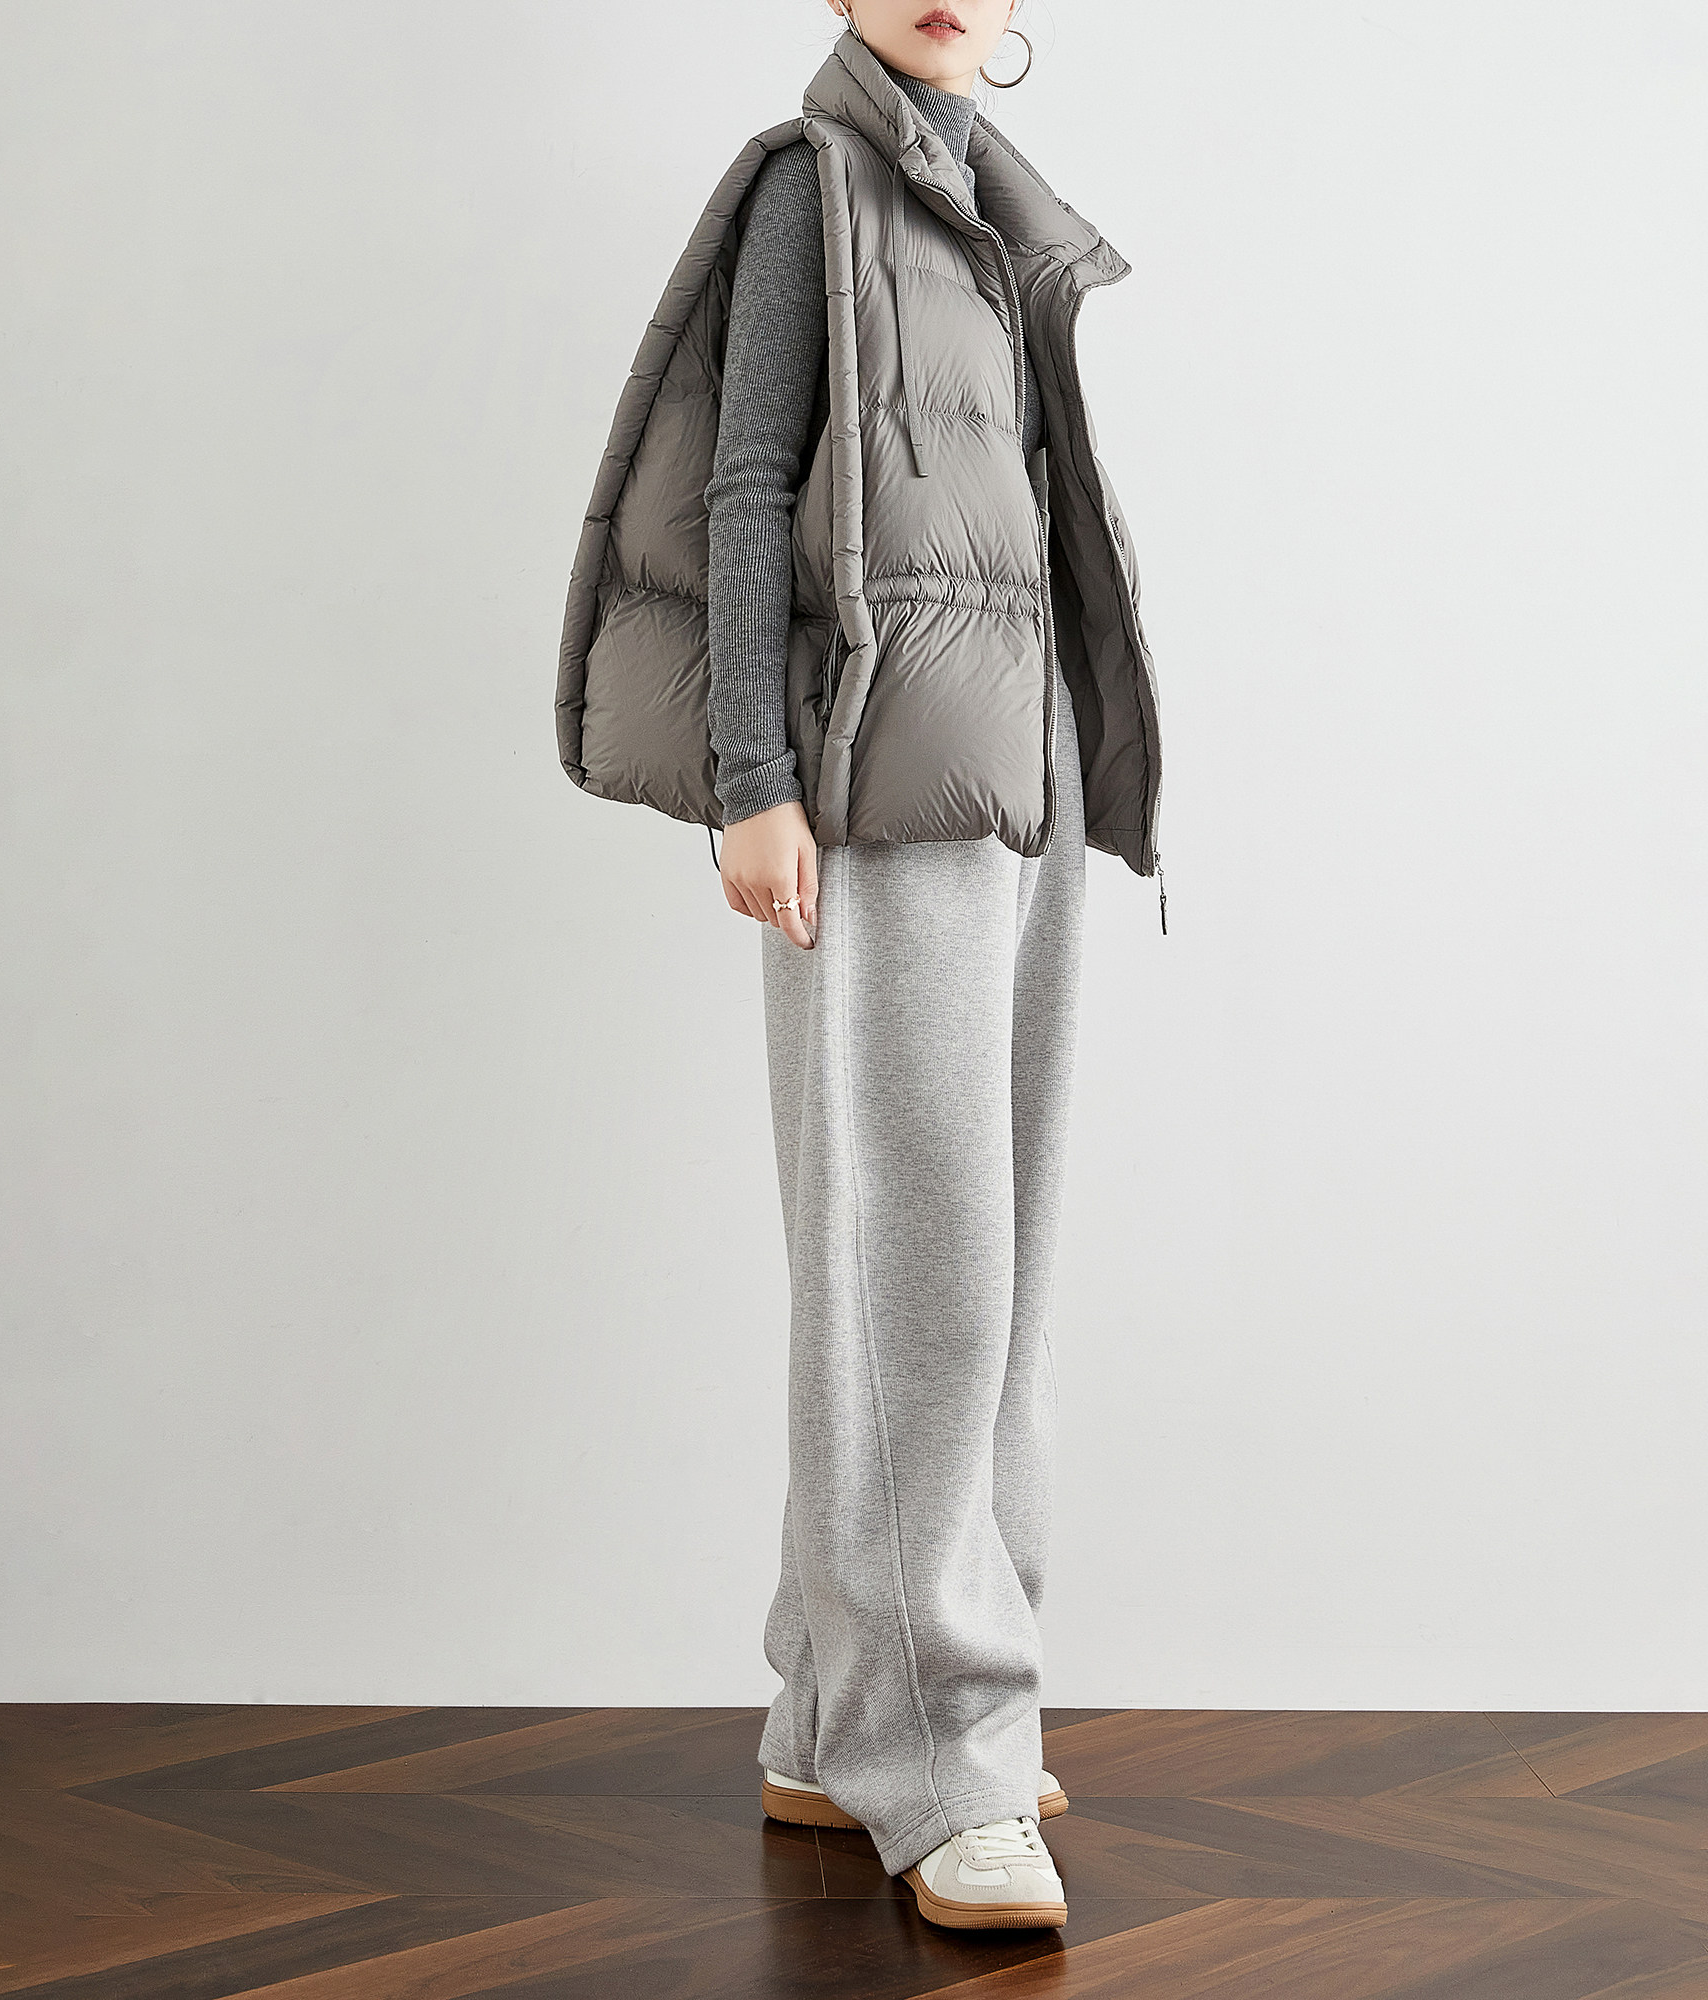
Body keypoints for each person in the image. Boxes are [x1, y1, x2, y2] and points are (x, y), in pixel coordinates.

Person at [697, 0, 1157, 1936]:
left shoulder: (993, 192)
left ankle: (835, 1714)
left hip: (1020, 776)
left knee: (996, 1263)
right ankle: (949, 1754)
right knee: (914, 1270)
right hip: (875, 789)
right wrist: (750, 779)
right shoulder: (809, 186)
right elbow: (746, 487)